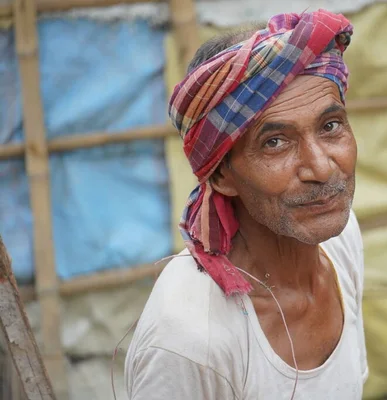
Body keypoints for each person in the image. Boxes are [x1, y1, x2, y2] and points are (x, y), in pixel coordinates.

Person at [124, 9, 367, 400]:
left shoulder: (340, 240)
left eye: (331, 126)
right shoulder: (189, 337)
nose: (321, 168)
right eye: (275, 142)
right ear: (220, 175)